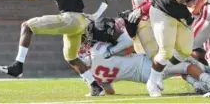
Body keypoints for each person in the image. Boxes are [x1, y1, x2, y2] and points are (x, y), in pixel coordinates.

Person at [0, 0, 119, 96]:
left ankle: (18, 66)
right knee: (71, 57)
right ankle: (95, 87)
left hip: (72, 19)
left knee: (27, 26)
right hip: (75, 22)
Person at [146, 0, 203, 97]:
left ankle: (159, 73)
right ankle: (152, 82)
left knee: (184, 51)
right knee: (166, 51)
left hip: (183, 15)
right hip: (163, 11)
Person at [78, 41, 210, 95]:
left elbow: (110, 91)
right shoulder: (98, 50)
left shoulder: (95, 78)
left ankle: (197, 84)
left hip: (144, 78)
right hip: (148, 64)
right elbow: (130, 47)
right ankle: (207, 80)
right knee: (186, 64)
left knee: (178, 67)